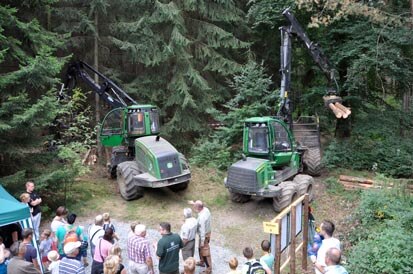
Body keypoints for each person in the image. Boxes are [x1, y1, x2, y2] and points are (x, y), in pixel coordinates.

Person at [190, 200, 212, 273]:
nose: (193, 208)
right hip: (206, 233)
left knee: (205, 252)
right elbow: (200, 205)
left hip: (204, 235)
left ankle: (209, 269)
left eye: (194, 207)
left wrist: (202, 241)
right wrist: (194, 203)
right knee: (200, 249)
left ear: (198, 208)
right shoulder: (206, 209)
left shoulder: (202, 217)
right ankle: (202, 262)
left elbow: (202, 230)